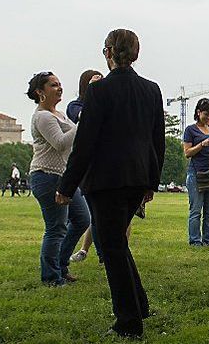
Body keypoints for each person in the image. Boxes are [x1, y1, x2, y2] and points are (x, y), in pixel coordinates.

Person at [57, 29, 165, 338]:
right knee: (116, 241)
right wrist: (151, 182)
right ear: (136, 54)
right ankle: (139, 304)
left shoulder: (99, 92)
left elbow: (86, 144)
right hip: (138, 177)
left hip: (106, 180)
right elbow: (158, 140)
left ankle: (128, 321)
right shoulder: (151, 90)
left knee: (111, 246)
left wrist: (66, 186)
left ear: (107, 53)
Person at [26, 71, 91, 286]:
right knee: (56, 227)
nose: (59, 88)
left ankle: (61, 265)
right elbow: (61, 143)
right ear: (40, 92)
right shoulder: (42, 116)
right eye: (53, 85)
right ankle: (51, 277)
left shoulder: (60, 114)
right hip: (46, 176)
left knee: (82, 219)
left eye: (60, 84)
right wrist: (84, 122)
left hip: (64, 177)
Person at [67, 69, 103, 262]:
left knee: (98, 215)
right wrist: (92, 92)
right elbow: (84, 117)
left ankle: (101, 254)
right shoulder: (74, 106)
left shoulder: (106, 105)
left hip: (102, 164)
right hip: (84, 166)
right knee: (87, 215)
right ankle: (75, 253)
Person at [183, 98, 209, 246]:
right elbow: (187, 153)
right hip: (196, 173)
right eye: (206, 113)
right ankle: (195, 241)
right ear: (198, 112)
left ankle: (208, 240)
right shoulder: (190, 130)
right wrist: (202, 144)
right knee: (195, 210)